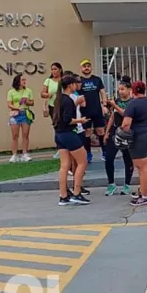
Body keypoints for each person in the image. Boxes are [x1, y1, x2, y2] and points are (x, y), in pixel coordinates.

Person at [53, 75, 90, 205]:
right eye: (75, 84)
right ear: (70, 85)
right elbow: (68, 119)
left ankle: (63, 195)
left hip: (58, 134)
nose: (76, 86)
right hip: (68, 134)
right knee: (82, 161)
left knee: (64, 166)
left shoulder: (58, 99)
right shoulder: (68, 100)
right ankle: (76, 192)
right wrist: (81, 120)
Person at [121, 80, 147, 206]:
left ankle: (145, 196)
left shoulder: (132, 104)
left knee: (143, 167)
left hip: (138, 138)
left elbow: (126, 124)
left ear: (133, 91)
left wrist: (122, 132)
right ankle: (142, 190)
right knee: (144, 165)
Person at [103, 78, 134, 196]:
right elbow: (112, 116)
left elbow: (125, 113)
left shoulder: (132, 102)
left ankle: (127, 184)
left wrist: (114, 105)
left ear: (129, 90)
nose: (120, 92)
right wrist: (107, 132)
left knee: (127, 158)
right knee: (109, 157)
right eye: (119, 89)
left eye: (122, 89)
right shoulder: (116, 101)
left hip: (126, 132)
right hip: (115, 131)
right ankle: (111, 184)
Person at [80, 59, 108, 163]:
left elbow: (103, 92)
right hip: (85, 111)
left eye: (88, 66)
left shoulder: (97, 80)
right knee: (87, 132)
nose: (86, 68)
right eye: (84, 66)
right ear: (81, 68)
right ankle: (88, 154)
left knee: (101, 131)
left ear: (91, 68)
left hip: (96, 110)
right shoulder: (79, 81)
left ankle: (104, 152)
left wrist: (104, 105)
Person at [7, 74, 34, 162]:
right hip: (15, 114)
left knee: (25, 135)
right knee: (15, 135)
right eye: (22, 80)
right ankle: (14, 154)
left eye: (25, 80)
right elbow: (9, 104)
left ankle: (25, 153)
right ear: (18, 81)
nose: (24, 81)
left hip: (25, 114)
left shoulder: (28, 91)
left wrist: (27, 101)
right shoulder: (11, 92)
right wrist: (17, 107)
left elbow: (32, 102)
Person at [42, 62, 63, 159]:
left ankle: (66, 147)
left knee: (65, 126)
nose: (53, 71)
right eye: (52, 69)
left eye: (55, 69)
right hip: (53, 107)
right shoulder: (48, 81)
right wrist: (48, 94)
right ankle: (59, 148)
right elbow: (42, 94)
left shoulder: (63, 80)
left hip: (64, 105)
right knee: (57, 127)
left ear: (60, 70)